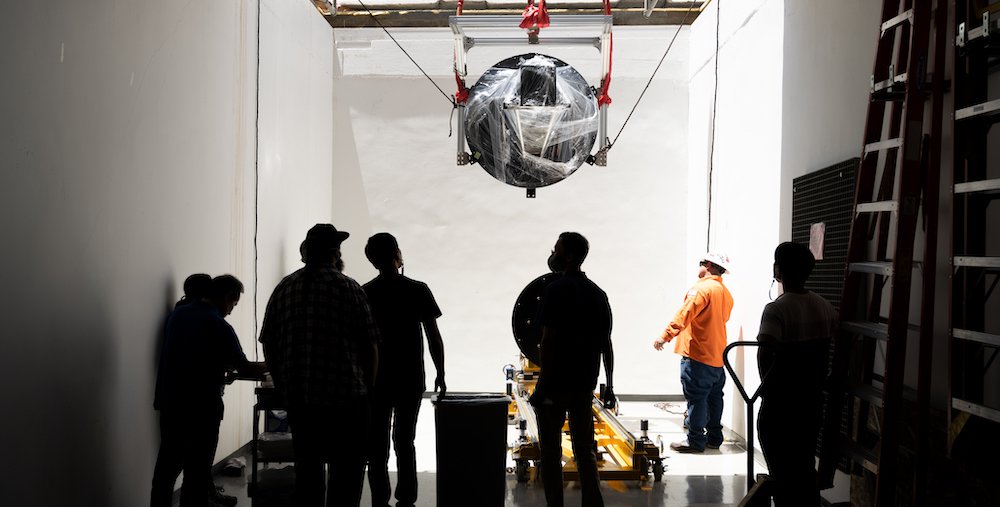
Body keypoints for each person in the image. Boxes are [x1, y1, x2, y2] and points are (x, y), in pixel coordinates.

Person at [259, 224, 380, 507]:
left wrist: (282, 383)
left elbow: (269, 342)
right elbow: (370, 344)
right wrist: (370, 391)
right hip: (347, 402)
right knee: (346, 477)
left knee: (308, 476)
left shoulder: (284, 288)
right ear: (335, 252)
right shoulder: (348, 287)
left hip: (301, 402)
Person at [151, 275, 265, 507]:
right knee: (197, 472)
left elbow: (191, 356)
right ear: (227, 297)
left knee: (167, 468)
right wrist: (272, 365)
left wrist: (218, 369)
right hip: (202, 409)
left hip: (170, 402)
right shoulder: (219, 324)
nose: (232, 310)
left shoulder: (178, 315)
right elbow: (243, 366)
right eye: (234, 304)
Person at [361, 232, 446, 507]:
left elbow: (359, 340)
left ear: (372, 259)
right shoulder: (418, 289)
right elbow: (433, 336)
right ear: (397, 254)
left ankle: (379, 498)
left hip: (376, 379)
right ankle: (406, 497)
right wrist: (441, 373)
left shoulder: (365, 292)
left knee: (377, 445)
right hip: (410, 377)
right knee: (404, 440)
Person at [530, 232, 614, 507]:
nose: (552, 253)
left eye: (556, 249)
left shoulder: (555, 290)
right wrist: (609, 385)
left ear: (566, 256)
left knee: (551, 452)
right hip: (584, 383)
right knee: (585, 449)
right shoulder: (597, 293)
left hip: (555, 384)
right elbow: (606, 344)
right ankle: (593, 503)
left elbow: (548, 340)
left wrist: (542, 385)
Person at [756, 242, 836, 506]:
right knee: (803, 464)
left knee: (782, 471)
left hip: (782, 404)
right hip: (812, 401)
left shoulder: (776, 309)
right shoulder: (824, 306)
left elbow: (765, 351)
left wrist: (766, 391)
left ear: (778, 270)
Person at [653, 253, 734, 453]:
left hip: (698, 354)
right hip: (717, 356)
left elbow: (684, 314)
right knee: (715, 398)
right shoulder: (725, 292)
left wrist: (665, 335)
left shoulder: (701, 289)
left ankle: (695, 441)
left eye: (701, 264)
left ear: (707, 265)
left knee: (697, 399)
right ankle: (715, 438)